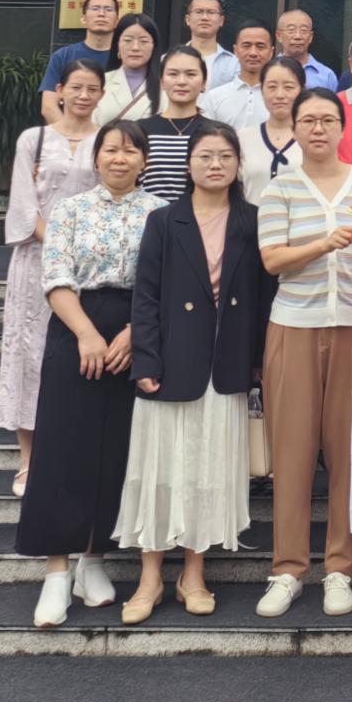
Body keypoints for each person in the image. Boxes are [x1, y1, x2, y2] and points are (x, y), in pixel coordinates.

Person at [114, 123, 270, 623]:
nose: (215, 164)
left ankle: (194, 574)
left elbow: (263, 300)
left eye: (225, 155)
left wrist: (258, 363)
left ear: (238, 164)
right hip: (171, 364)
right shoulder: (164, 220)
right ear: (188, 164)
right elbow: (145, 296)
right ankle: (150, 578)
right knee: (160, 469)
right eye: (205, 155)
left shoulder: (252, 220)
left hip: (226, 366)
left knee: (210, 471)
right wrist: (145, 359)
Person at [255, 88, 352, 620]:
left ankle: (340, 567)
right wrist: (324, 243)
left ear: (343, 127)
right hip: (294, 326)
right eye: (308, 120)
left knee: (347, 452)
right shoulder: (280, 188)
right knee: (292, 453)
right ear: (293, 128)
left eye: (327, 120)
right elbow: (272, 260)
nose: (318, 129)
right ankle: (288, 569)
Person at [17, 118, 160, 629]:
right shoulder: (70, 210)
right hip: (75, 329)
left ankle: (94, 558)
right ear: (96, 158)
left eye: (130, 151)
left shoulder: (162, 213)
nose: (120, 158)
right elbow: (55, 276)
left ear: (144, 161)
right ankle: (57, 571)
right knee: (62, 447)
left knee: (116, 450)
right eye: (111, 150)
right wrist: (86, 333)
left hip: (135, 332)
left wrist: (133, 333)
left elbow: (163, 283)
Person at [0, 59, 102, 498]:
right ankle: (28, 460)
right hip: (37, 258)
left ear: (101, 94)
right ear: (60, 91)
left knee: (78, 352)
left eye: (92, 88)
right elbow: (23, 202)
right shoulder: (34, 139)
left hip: (90, 262)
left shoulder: (106, 140)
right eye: (76, 87)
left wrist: (82, 247)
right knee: (29, 354)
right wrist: (58, 242)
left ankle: (70, 454)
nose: (83, 95)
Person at [140, 48, 208, 202]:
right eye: (173, 74)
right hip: (149, 215)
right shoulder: (141, 131)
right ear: (162, 82)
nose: (181, 81)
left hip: (199, 215)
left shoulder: (214, 133)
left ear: (204, 82)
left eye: (191, 74)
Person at [39, 0, 118, 123]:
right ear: (83, 19)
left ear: (117, 21)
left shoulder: (125, 57)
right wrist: (70, 133)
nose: (101, 14)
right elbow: (48, 107)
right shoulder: (63, 55)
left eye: (108, 9)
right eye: (95, 8)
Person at [235, 57, 304, 203]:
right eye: (272, 87)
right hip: (251, 218)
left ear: (302, 90)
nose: (280, 95)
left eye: (288, 87)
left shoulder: (312, 138)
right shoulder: (242, 138)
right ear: (262, 91)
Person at [201, 21, 276, 130]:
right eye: (246, 46)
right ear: (235, 50)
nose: (253, 53)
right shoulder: (214, 97)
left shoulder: (281, 98)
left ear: (271, 52)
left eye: (260, 46)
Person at [94, 14, 157, 127]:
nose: (135, 47)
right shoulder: (100, 82)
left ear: (154, 46)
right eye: (128, 40)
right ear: (117, 44)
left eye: (143, 41)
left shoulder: (166, 85)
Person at [182, 0, 240, 90]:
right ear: (188, 20)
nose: (204, 17)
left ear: (221, 21)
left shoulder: (234, 64)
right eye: (198, 12)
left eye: (211, 12)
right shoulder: (169, 60)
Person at [275, 8, 338, 92]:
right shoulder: (267, 71)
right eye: (291, 30)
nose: (298, 36)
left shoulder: (327, 76)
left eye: (303, 30)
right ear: (279, 36)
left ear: (311, 37)